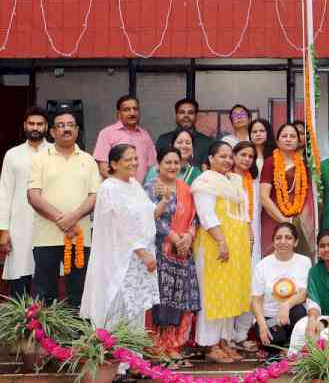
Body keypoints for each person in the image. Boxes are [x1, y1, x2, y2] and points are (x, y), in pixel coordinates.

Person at [80, 144, 160, 329]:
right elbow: (123, 226)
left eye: (135, 158)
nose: (134, 163)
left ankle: (134, 355)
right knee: (120, 304)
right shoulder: (109, 188)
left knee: (136, 307)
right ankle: (119, 353)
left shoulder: (135, 185)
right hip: (121, 257)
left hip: (139, 257)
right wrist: (143, 253)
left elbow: (150, 214)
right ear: (114, 164)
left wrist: (164, 200)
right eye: (128, 159)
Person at [27, 109, 101, 309]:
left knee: (77, 293)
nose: (66, 129)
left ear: (77, 130)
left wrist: (73, 218)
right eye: (61, 125)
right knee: (44, 292)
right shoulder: (40, 159)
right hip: (46, 236)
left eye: (70, 125)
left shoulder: (88, 160)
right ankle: (44, 338)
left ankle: (76, 339)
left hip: (80, 237)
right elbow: (33, 195)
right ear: (52, 132)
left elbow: (95, 196)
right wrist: (61, 219)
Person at [191, 140, 252, 364]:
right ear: (211, 159)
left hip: (237, 247)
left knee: (231, 293)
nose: (227, 160)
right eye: (222, 156)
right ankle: (209, 344)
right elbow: (207, 216)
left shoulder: (236, 182)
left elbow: (244, 216)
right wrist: (222, 243)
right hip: (214, 247)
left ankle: (225, 340)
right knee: (212, 295)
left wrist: (248, 240)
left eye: (229, 156)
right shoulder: (204, 182)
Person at [143, 147, 201, 363]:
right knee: (160, 300)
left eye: (176, 163)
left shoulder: (185, 188)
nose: (172, 166)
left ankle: (173, 344)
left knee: (179, 299)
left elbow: (194, 217)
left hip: (183, 253)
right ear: (158, 164)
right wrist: (174, 237)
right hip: (160, 252)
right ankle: (156, 345)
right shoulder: (151, 188)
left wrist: (188, 235)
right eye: (168, 162)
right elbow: (148, 218)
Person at [0, 106, 50, 297]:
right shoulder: (13, 155)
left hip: (48, 225)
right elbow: (4, 194)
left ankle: (46, 327)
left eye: (39, 124)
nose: (35, 127)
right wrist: (3, 230)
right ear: (25, 126)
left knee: (46, 280)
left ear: (46, 126)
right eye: (31, 123)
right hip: (18, 226)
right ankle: (21, 325)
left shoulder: (54, 152)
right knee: (19, 280)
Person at [251, 222, 311, 353]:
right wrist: (262, 325)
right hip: (270, 319)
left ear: (295, 242)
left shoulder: (304, 261)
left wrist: (286, 305)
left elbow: (304, 293)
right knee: (274, 340)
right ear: (273, 241)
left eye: (288, 238)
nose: (283, 241)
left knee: (299, 311)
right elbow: (256, 300)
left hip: (292, 315)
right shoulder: (262, 265)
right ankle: (283, 347)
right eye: (278, 238)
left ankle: (290, 346)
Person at [259, 122, 315, 257]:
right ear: (277, 142)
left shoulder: (305, 164)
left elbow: (309, 195)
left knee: (299, 259)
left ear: (298, 141)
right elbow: (264, 197)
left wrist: (297, 221)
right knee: (273, 258)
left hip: (299, 220)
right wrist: (283, 220)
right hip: (273, 217)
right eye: (284, 136)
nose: (288, 139)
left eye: (292, 136)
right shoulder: (270, 162)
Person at [230, 141, 261, 351]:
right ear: (233, 155)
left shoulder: (254, 181)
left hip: (252, 237)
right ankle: (227, 336)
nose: (247, 159)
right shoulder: (226, 180)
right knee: (231, 285)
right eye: (243, 154)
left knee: (251, 285)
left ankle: (240, 334)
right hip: (231, 237)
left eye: (250, 156)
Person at [92, 95, 157, 183]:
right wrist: (123, 187)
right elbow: (103, 168)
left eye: (135, 109)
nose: (132, 113)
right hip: (117, 191)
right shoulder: (107, 133)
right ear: (119, 113)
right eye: (127, 109)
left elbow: (152, 167)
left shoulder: (145, 135)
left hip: (141, 191)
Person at [156, 98, 214, 170]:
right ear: (176, 116)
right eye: (182, 112)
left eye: (190, 112)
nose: (186, 115)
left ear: (196, 116)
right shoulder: (163, 140)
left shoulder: (207, 142)